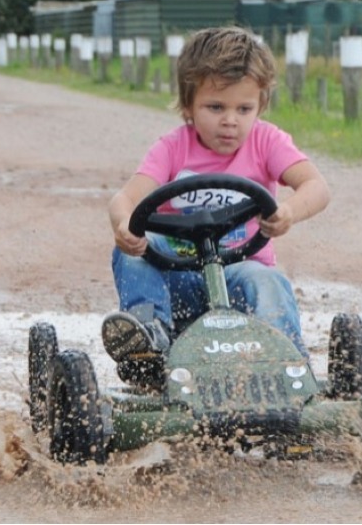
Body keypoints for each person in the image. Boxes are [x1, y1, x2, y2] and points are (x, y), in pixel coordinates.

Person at [103, 26, 330, 387]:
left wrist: (289, 211)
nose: (230, 120)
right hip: (179, 273)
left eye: (244, 108)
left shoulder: (266, 141)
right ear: (189, 105)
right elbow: (125, 199)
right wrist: (125, 225)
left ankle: (287, 364)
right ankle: (147, 340)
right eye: (215, 107)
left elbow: (317, 187)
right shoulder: (173, 147)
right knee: (130, 252)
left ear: (261, 105)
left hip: (242, 271)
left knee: (269, 281)